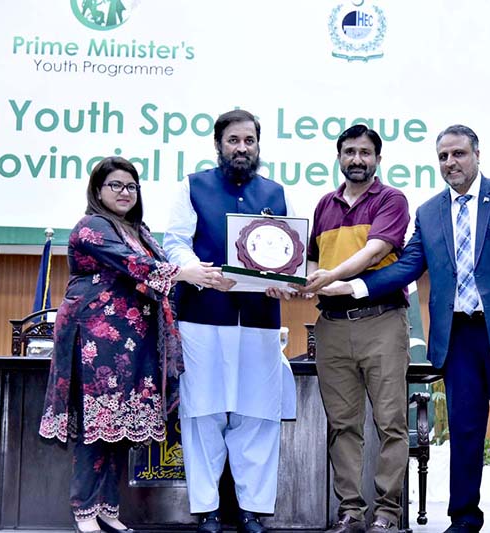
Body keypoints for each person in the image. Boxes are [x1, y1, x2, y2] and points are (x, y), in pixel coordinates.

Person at [318, 124, 490, 533]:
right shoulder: (429, 212)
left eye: (459, 154)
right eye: (444, 156)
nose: (451, 163)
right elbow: (409, 265)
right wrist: (355, 286)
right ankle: (464, 518)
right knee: (464, 431)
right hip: (457, 337)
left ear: (477, 155)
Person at [39, 156, 215, 533]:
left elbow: (153, 262)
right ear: (98, 190)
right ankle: (83, 510)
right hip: (97, 344)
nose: (124, 192)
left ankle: (107, 507)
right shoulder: (92, 227)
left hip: (135, 344)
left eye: (131, 186)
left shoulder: (138, 229)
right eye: (115, 185)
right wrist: (182, 271)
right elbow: (132, 264)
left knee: (120, 428)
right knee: (97, 425)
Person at [163, 109, 296, 533]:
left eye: (249, 141)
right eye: (234, 140)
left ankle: (252, 510)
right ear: (219, 144)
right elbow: (175, 242)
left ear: (258, 145)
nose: (242, 148)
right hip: (203, 316)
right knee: (202, 412)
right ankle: (207, 510)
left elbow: (286, 253)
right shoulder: (193, 186)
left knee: (257, 414)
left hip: (259, 318)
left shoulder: (276, 192)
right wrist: (193, 270)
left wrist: (284, 282)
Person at [300, 125, 411, 533]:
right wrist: (306, 279)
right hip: (331, 326)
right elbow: (310, 261)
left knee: (390, 424)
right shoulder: (324, 205)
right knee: (342, 425)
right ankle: (351, 512)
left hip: (381, 321)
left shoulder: (391, 200)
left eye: (365, 152)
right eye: (350, 152)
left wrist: (326, 278)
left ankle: (387, 512)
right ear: (339, 157)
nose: (357, 159)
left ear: (377, 159)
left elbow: (374, 252)